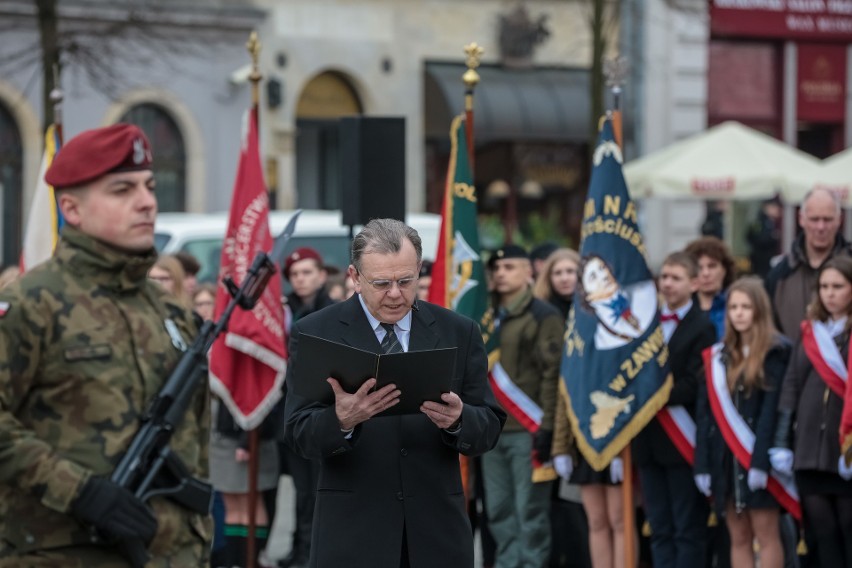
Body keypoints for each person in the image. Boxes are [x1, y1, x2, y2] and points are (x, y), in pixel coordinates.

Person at [0, 123, 211, 565]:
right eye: (122, 190)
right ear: (72, 210)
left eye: (150, 186)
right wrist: (79, 491)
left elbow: (194, 437)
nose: (147, 201)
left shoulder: (169, 311)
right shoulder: (31, 303)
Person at [283, 218, 505, 567]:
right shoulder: (316, 331)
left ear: (419, 270)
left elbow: (489, 426)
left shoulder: (457, 331)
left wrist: (459, 420)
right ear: (354, 278)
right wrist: (341, 420)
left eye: (406, 281)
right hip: (352, 534)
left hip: (436, 535)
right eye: (382, 283)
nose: (395, 294)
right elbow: (297, 433)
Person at [695, 277, 791, 568]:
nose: (738, 313)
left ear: (759, 310)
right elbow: (706, 415)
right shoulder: (718, 356)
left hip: (755, 457)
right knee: (738, 537)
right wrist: (702, 464)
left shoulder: (775, 352)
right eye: (733, 307)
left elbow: (770, 413)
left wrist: (760, 461)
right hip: (725, 460)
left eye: (746, 307)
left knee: (766, 534)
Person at [633, 252, 716, 567]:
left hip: (682, 441)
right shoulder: (645, 323)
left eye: (675, 278)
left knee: (686, 528)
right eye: (664, 276)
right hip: (648, 441)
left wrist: (652, 393)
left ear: (695, 283)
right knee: (660, 527)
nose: (667, 283)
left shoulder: (702, 326)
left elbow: (695, 386)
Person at [484, 244, 563, 568]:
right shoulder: (486, 316)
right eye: (497, 268)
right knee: (499, 511)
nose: (501, 274)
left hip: (528, 430)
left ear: (529, 271)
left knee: (530, 512)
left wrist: (547, 429)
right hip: (492, 431)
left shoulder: (544, 315)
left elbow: (552, 375)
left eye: (510, 267)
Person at [772, 256, 852, 566]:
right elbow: (791, 385)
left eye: (838, 286)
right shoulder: (810, 332)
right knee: (821, 529)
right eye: (824, 287)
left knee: (847, 525)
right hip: (809, 447)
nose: (829, 293)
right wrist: (781, 441)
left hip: (843, 446)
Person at [532, 248, 592, 568]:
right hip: (546, 414)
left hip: (582, 416)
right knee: (552, 502)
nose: (566, 278)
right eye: (559, 272)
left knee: (579, 502)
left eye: (572, 271)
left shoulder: (591, 313)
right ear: (548, 277)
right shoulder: (540, 313)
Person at [277, 246, 337, 568]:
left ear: (322, 275)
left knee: (319, 491)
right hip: (294, 413)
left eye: (307, 273)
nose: (300, 280)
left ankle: (314, 553)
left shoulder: (333, 312)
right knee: (301, 492)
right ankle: (299, 551)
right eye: (294, 274)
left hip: (326, 412)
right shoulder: (284, 313)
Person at [766, 187, 851, 343]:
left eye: (827, 219)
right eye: (814, 219)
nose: (820, 227)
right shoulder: (779, 275)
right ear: (801, 219)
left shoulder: (850, 267)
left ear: (839, 220)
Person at [685, 236, 737, 340]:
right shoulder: (683, 308)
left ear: (724, 270)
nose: (706, 273)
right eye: (699, 268)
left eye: (712, 266)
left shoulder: (736, 306)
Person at [746, 197, 782, 279]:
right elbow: (753, 238)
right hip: (761, 261)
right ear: (767, 207)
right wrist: (772, 238)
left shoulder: (770, 222)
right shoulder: (760, 222)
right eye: (774, 207)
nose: (777, 210)